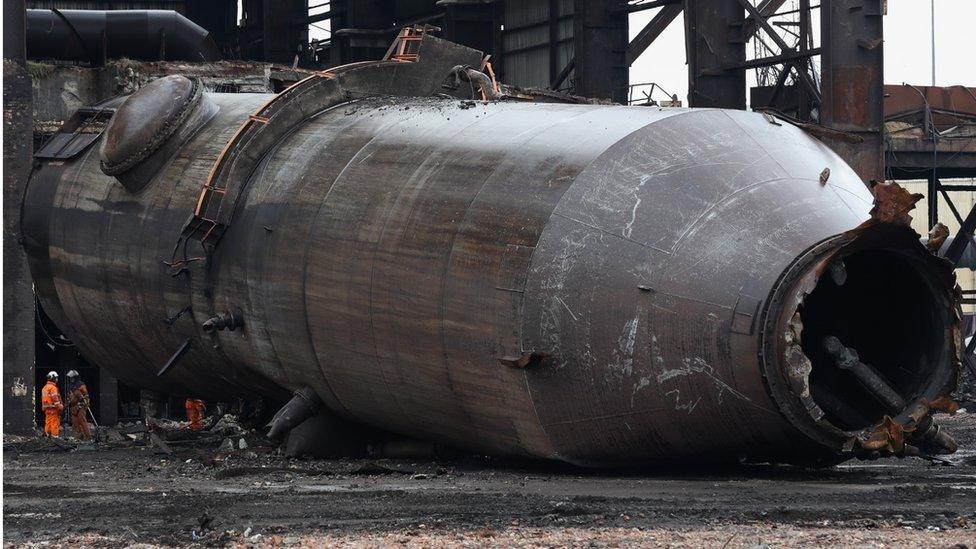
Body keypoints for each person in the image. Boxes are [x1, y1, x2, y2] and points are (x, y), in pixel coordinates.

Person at [66, 370, 92, 441]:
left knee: (82, 421)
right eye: (70, 378)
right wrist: (68, 403)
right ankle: (80, 436)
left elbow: (86, 395)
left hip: (80, 406)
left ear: (76, 377)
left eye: (72, 378)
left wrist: (86, 402)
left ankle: (88, 436)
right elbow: (69, 396)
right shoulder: (69, 386)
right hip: (73, 406)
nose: (71, 379)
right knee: (75, 423)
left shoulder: (81, 385)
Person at [41, 371, 63, 437]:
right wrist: (60, 407)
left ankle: (47, 436)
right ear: (53, 378)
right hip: (54, 409)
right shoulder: (53, 388)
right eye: (56, 378)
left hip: (47, 409)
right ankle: (55, 437)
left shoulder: (44, 388)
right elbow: (55, 399)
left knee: (48, 422)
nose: (57, 379)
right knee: (54, 423)